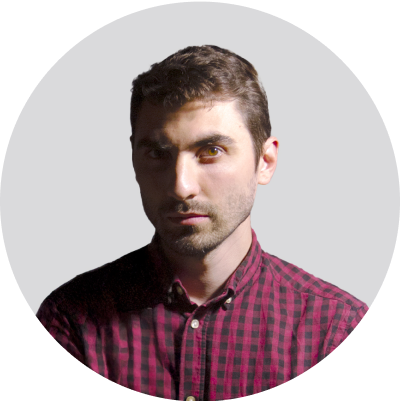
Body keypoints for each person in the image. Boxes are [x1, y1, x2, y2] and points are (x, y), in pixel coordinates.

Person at [36, 45, 369, 400]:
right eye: (157, 153)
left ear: (265, 161)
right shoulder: (71, 319)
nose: (181, 186)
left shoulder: (336, 330)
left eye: (211, 151)